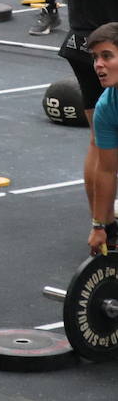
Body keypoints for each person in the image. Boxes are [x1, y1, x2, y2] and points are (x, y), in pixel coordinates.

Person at [81, 21, 118, 257]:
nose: (99, 65)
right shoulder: (106, 107)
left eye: (107, 56)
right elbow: (106, 170)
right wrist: (99, 226)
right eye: (96, 58)